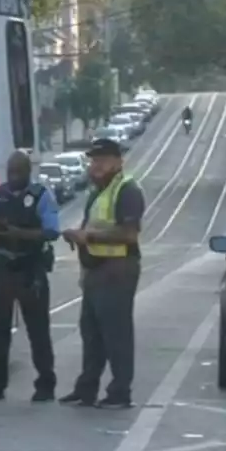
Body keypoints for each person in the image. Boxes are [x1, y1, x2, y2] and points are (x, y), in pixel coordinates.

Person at [59, 137, 145, 408]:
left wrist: (89, 237)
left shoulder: (128, 190)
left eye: (102, 161)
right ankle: (86, 389)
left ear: (118, 162)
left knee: (116, 334)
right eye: (93, 161)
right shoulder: (98, 192)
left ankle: (120, 392)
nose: (95, 166)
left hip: (118, 270)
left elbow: (129, 233)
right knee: (91, 332)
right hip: (96, 270)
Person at [0, 150, 60, 402]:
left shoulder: (41, 196)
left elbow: (51, 231)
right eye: (11, 171)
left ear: (28, 171)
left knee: (38, 330)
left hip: (30, 268)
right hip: (1, 268)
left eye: (19, 172)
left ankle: (45, 384)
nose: (14, 176)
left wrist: (17, 233)